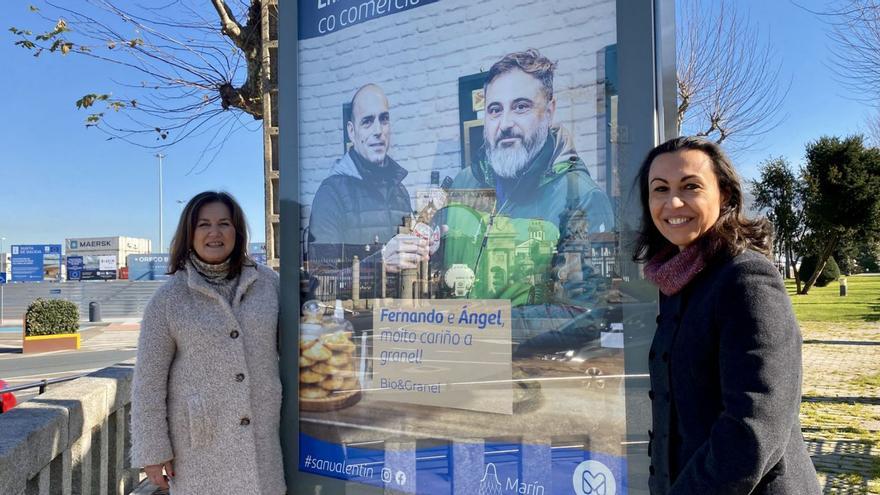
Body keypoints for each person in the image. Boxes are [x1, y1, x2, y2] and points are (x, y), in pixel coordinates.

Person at [633, 137, 820, 494]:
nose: (673, 202)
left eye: (691, 186)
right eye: (659, 189)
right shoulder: (679, 280)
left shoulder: (745, 278)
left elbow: (752, 429)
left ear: (726, 197)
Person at [438, 49, 614, 336]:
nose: (505, 123)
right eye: (495, 110)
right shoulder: (463, 184)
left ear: (550, 110)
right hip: (454, 365)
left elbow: (584, 314)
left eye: (520, 107)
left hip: (526, 376)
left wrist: (484, 329)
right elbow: (435, 272)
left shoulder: (582, 196)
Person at [130, 191, 285, 494]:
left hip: (263, 441)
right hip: (199, 449)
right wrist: (152, 453)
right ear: (190, 233)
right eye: (204, 225)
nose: (215, 233)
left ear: (237, 232)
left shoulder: (269, 284)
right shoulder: (168, 300)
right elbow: (147, 383)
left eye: (224, 223)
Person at [309, 83, 427, 275]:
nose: (378, 130)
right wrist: (378, 265)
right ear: (351, 131)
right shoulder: (330, 194)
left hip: (397, 306)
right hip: (355, 306)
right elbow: (320, 281)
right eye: (367, 121)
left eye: (384, 119)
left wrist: (427, 250)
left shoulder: (400, 191)